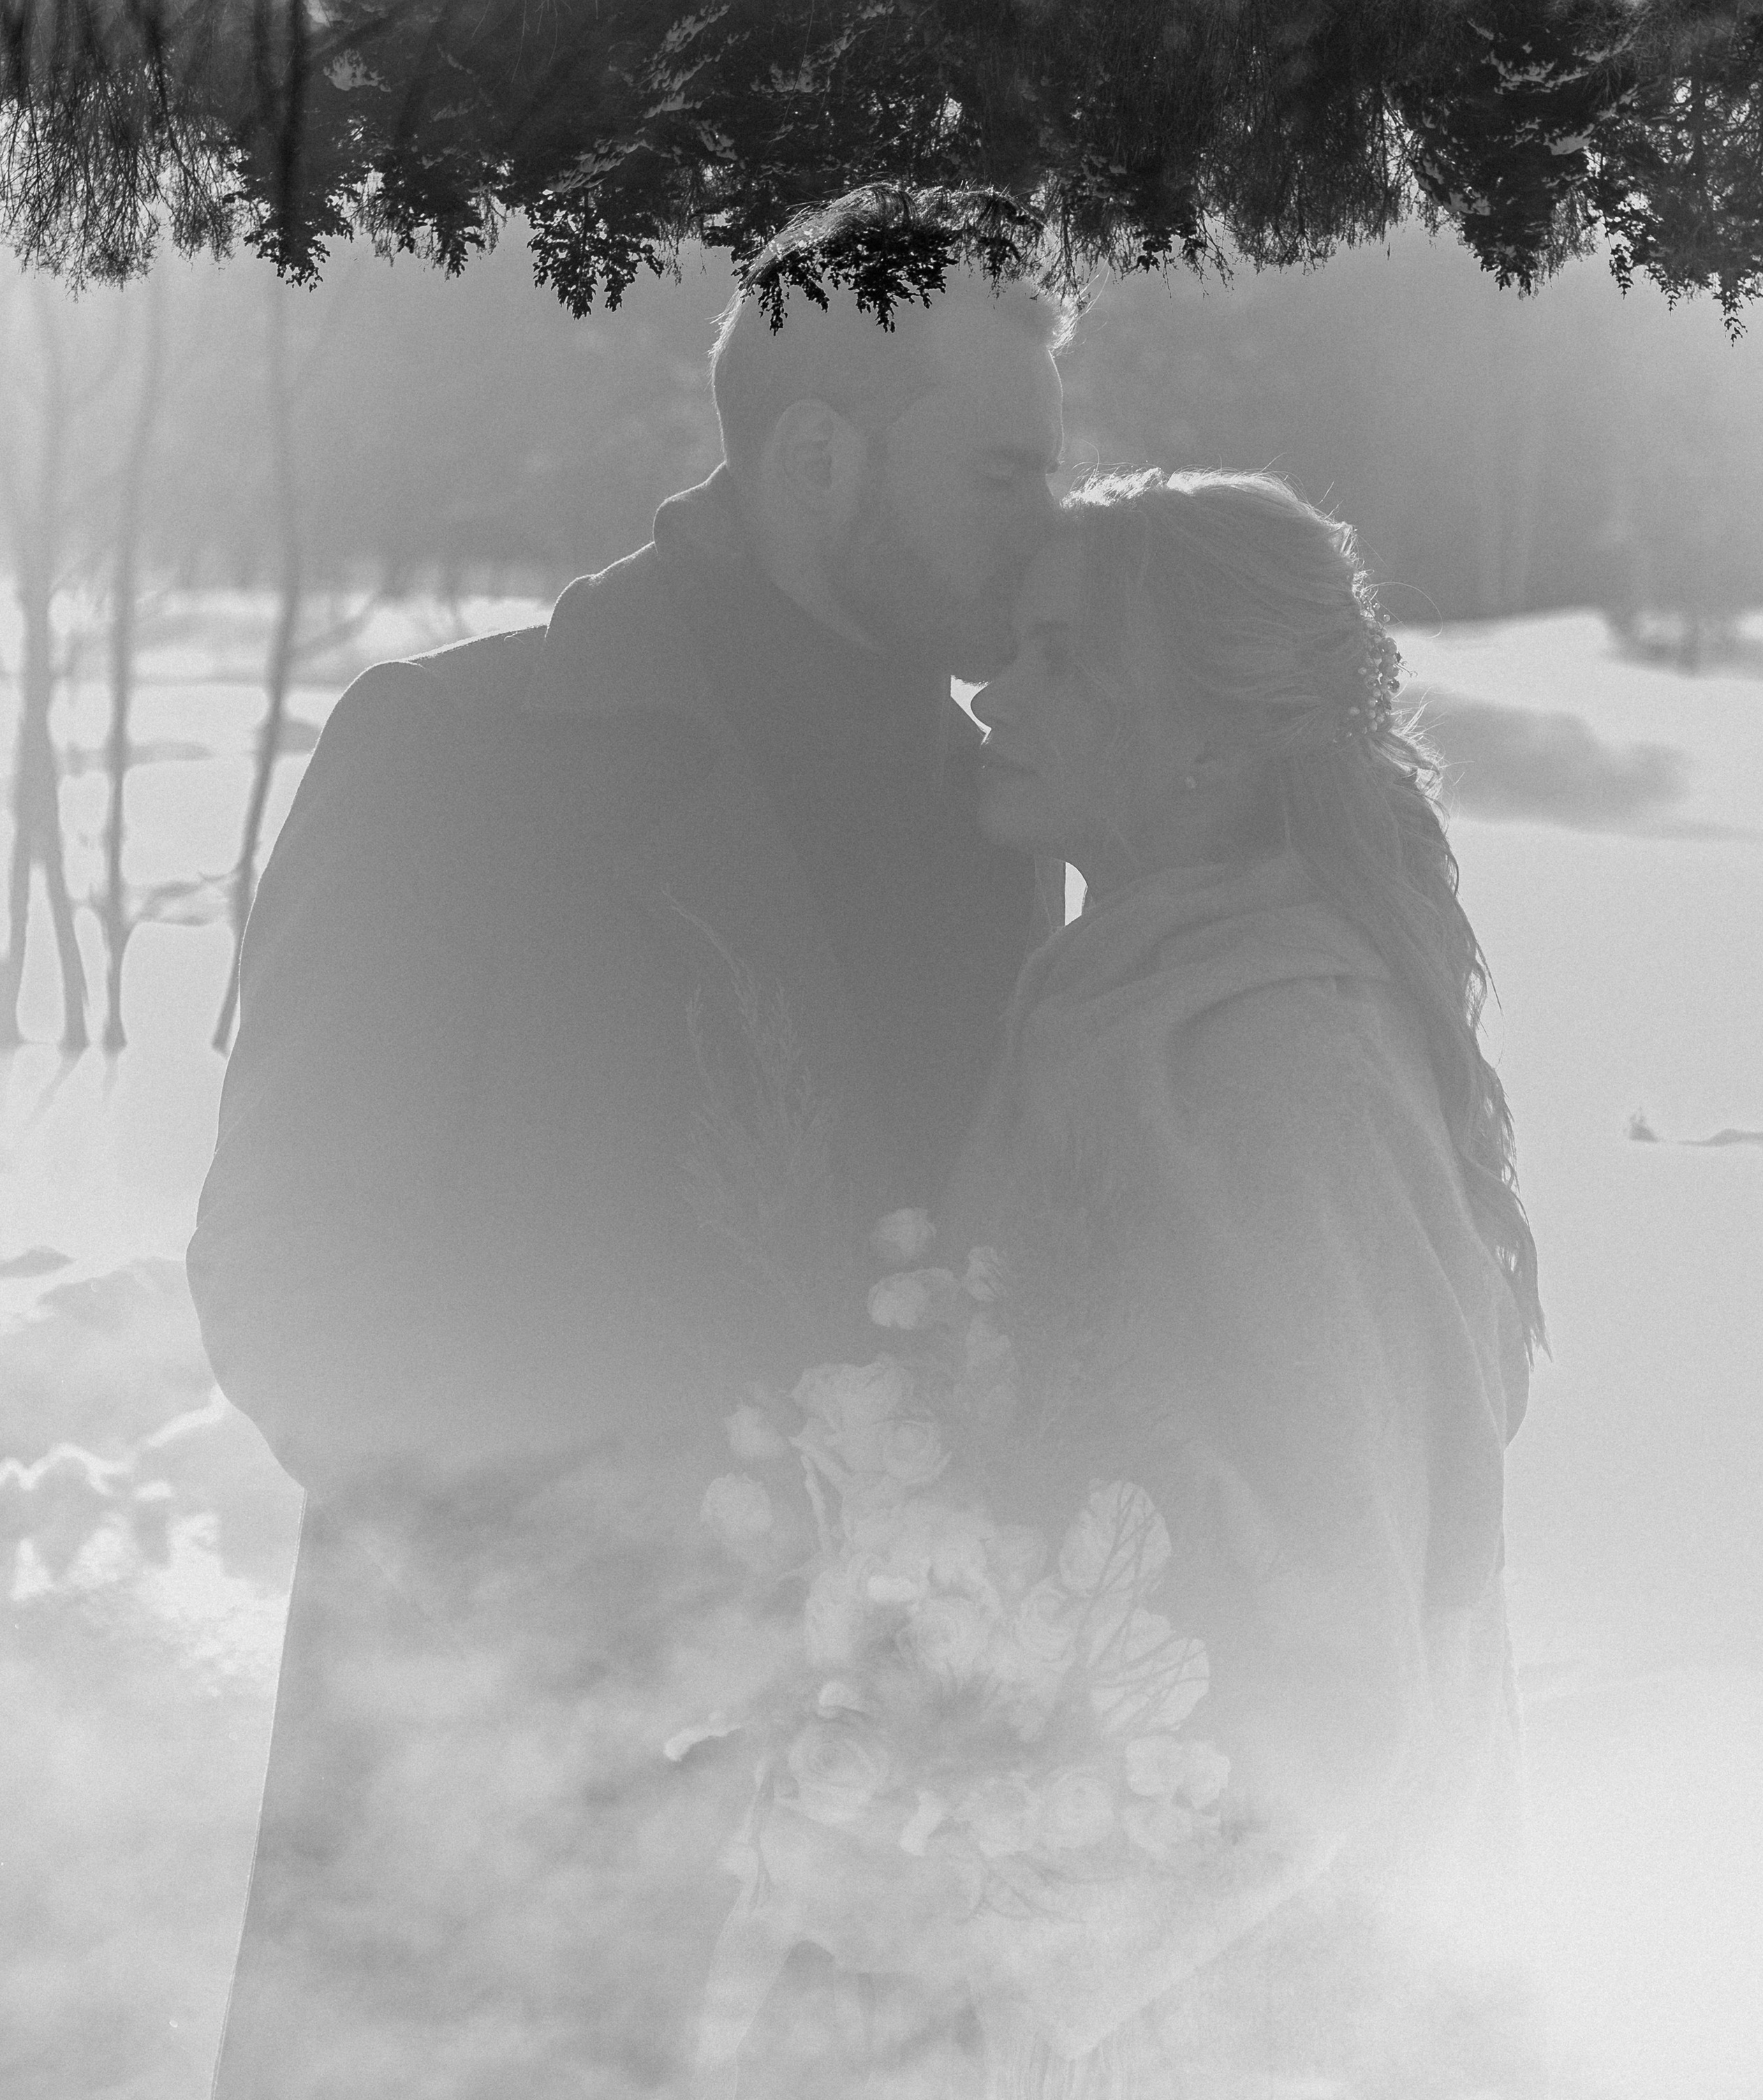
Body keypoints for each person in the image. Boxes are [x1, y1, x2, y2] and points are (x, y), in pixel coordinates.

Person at [184, 183, 1070, 2100]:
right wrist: (613, 1603)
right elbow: (294, 1281)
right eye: (1003, 470)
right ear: (823, 460)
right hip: (487, 1825)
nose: (1049, 524)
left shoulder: (1002, 831)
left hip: (876, 1884)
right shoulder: (457, 755)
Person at [933, 467, 1544, 2096]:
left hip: (1238, 1996)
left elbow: (1327, 1652)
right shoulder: (1133, 995)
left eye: (1064, 658)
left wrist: (1024, 1973)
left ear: (1208, 739)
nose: (994, 689)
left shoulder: (1267, 1063)